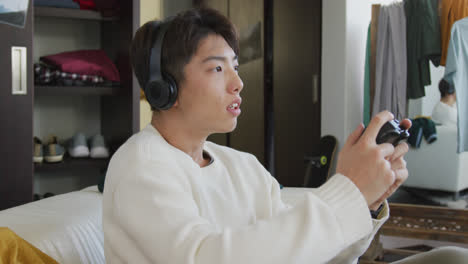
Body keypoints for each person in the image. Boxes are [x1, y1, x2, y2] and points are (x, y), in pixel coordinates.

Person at [102, 7, 468, 264]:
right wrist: (346, 190)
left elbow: (312, 253)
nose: (238, 83)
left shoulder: (241, 166)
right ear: (163, 87)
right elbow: (205, 257)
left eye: (236, 66)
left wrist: (365, 201)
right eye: (217, 68)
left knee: (452, 257)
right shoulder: (142, 167)